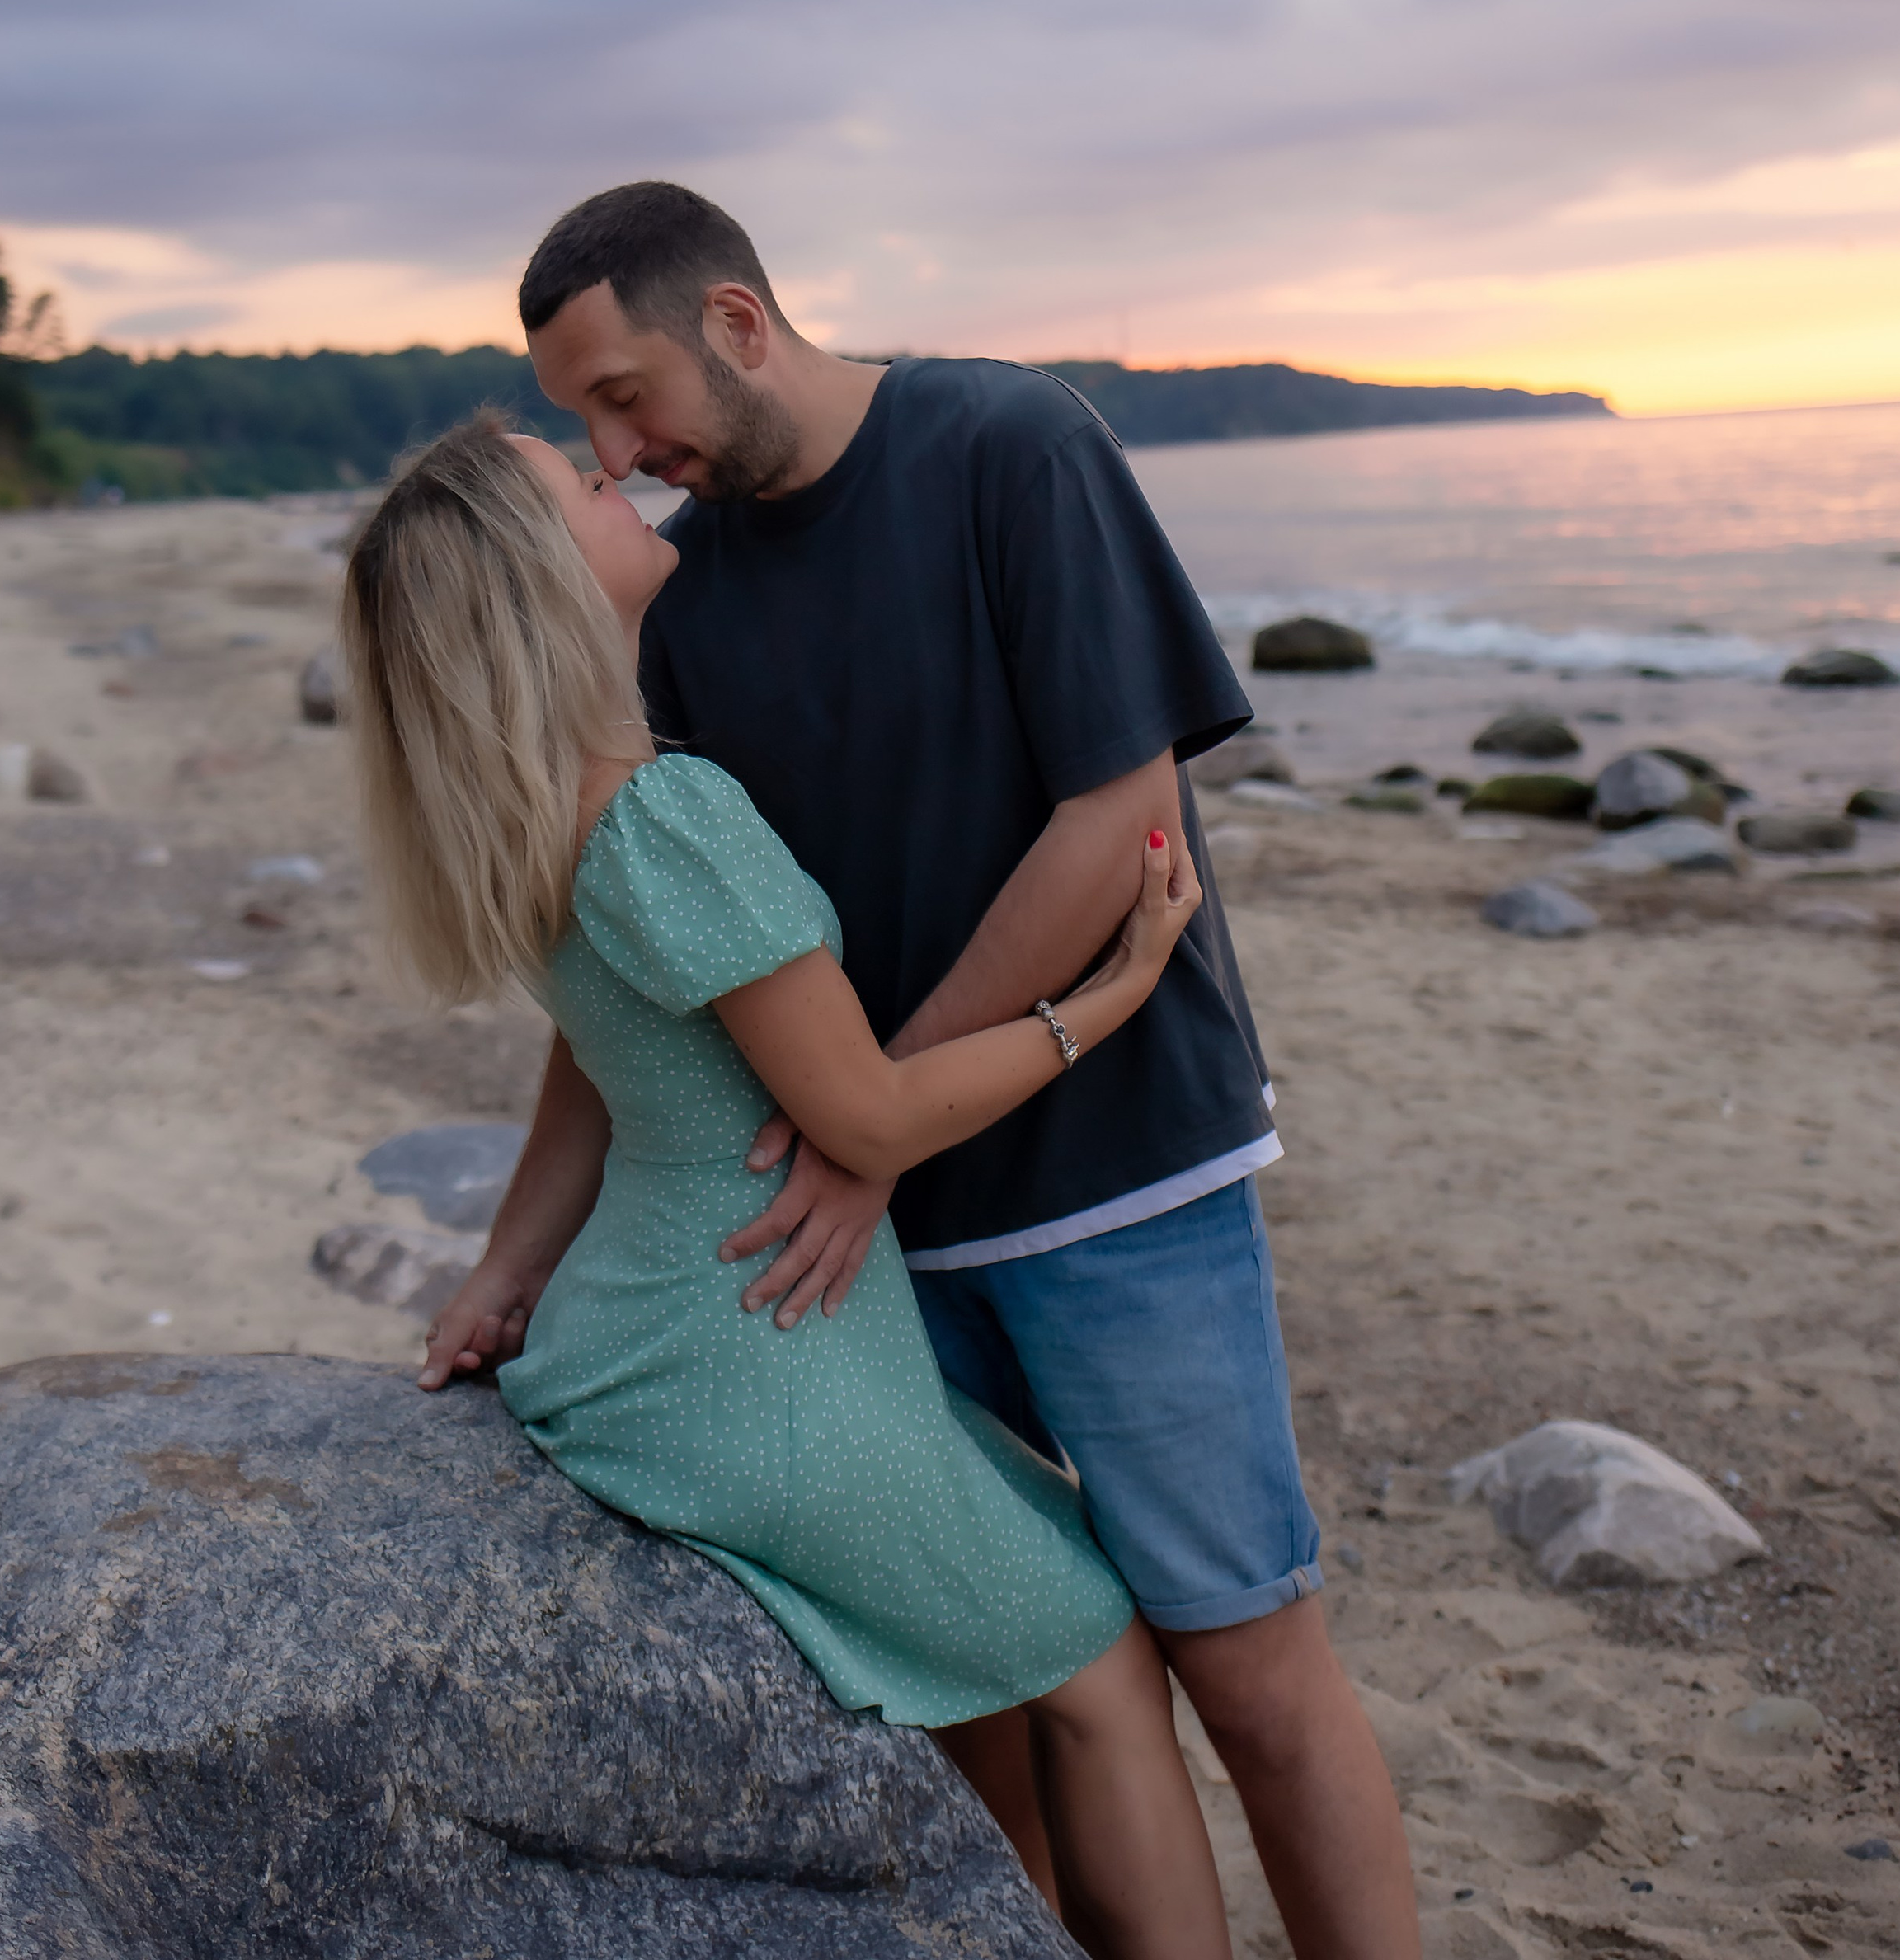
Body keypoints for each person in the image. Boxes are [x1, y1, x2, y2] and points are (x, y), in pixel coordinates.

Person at [464, 180, 1423, 1960]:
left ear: (736, 322)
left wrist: (869, 1122)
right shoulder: (676, 597)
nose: (615, 446)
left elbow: (1117, 817)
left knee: (1241, 1659)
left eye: (619, 392)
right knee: (992, 1683)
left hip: (1107, 1170)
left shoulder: (1004, 440)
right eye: (585, 420)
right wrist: (519, 1262)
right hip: (871, 1239)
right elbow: (670, 967)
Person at [344, 413, 1232, 1960]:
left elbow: (600, 1068)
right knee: (1098, 1660)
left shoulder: (537, 814)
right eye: (579, 484)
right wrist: (1115, 983)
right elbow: (872, 1117)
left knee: (1019, 1641)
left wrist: (502, 1271)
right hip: (756, 1353)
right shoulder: (666, 816)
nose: (612, 472)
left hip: (660, 1341)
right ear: (543, 579)